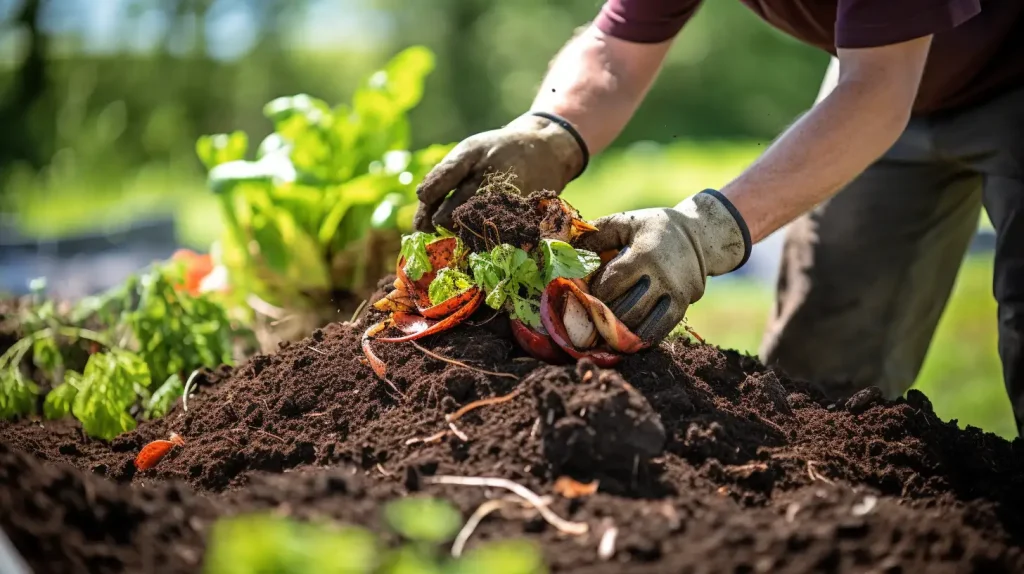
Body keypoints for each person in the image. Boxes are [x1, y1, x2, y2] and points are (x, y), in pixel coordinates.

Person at [413, 0, 1024, 436]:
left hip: (950, 73)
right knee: (821, 372)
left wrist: (701, 231)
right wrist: (552, 131)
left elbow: (879, 92)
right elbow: (616, 48)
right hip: (886, 73)